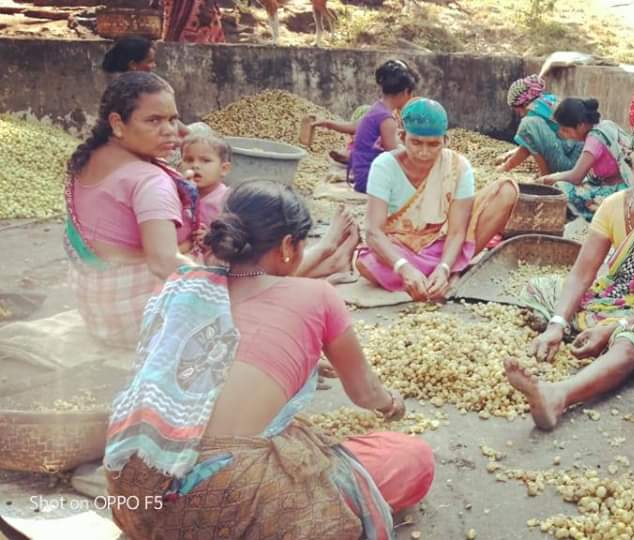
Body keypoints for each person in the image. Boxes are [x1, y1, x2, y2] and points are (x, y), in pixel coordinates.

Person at [105, 181, 435, 539]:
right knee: (408, 457)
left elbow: (204, 362)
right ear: (287, 246)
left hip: (132, 491)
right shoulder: (318, 295)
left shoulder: (180, 287)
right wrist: (393, 405)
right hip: (226, 501)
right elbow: (365, 393)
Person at [503, 112, 634, 431]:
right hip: (619, 297)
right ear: (631, 157)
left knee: (631, 343)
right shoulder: (614, 204)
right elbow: (582, 272)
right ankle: (589, 332)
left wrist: (617, 324)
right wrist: (557, 325)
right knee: (542, 288)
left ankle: (559, 395)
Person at [64, 71, 195, 348]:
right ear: (117, 123)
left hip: (98, 310)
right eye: (153, 120)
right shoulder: (150, 181)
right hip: (135, 321)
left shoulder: (90, 159)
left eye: (172, 119)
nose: (170, 130)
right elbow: (163, 262)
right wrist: (222, 286)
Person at [354, 98, 519, 301]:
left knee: (506, 191)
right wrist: (404, 268)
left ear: (445, 140)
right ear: (402, 137)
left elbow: (458, 230)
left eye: (433, 144)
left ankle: (446, 272)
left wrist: (444, 267)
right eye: (416, 142)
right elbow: (373, 231)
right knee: (366, 263)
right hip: (405, 246)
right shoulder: (384, 166)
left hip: (445, 242)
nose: (424, 152)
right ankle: (446, 272)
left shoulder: (457, 167)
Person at [313, 60, 420, 192]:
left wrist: (328, 123)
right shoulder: (387, 119)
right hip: (370, 180)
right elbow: (394, 154)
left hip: (361, 176)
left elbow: (355, 126)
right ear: (405, 92)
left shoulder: (377, 108)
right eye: (412, 93)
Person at [535, 98, 634, 222]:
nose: (562, 133)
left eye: (565, 130)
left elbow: (576, 177)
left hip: (620, 192)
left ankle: (595, 217)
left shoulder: (594, 139)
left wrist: (548, 178)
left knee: (560, 188)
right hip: (625, 186)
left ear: (581, 125)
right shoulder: (605, 125)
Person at [496, 74, 583, 176]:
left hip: (570, 163)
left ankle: (545, 176)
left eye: (518, 111)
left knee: (527, 126)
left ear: (524, 103)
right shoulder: (549, 100)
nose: (520, 114)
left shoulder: (533, 112)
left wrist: (506, 166)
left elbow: (528, 148)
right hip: (580, 159)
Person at [179, 132, 231, 252]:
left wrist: (213, 237)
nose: (195, 166)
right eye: (189, 160)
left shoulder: (227, 200)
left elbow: (235, 236)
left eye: (205, 161)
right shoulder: (177, 194)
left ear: (224, 169)